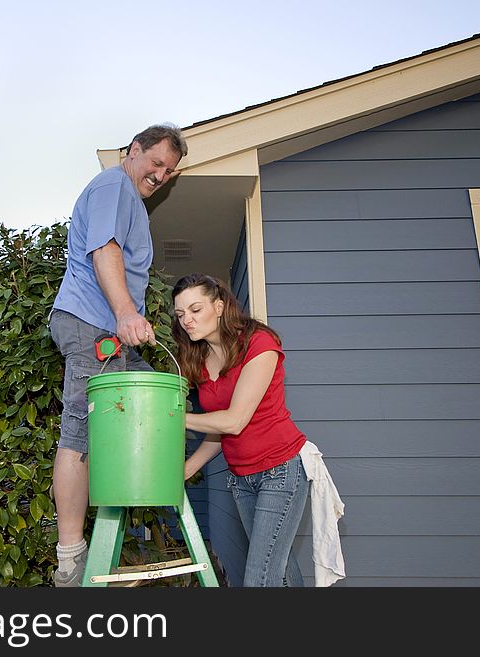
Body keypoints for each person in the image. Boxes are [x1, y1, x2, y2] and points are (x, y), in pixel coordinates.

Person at [48, 123, 188, 587]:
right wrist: (127, 313)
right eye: (156, 162)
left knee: (153, 404)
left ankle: (121, 518)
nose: (160, 174)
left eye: (168, 171)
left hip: (110, 332)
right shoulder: (113, 184)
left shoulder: (131, 202)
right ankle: (70, 556)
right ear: (133, 151)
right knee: (80, 427)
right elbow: (103, 249)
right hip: (94, 323)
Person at [172, 272, 310, 587]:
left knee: (260, 578)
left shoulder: (259, 343)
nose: (187, 321)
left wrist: (174, 417)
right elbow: (221, 433)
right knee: (282, 570)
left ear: (219, 306)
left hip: (280, 470)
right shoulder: (200, 358)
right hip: (241, 478)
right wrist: (187, 467)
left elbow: (235, 420)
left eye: (195, 310)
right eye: (181, 315)